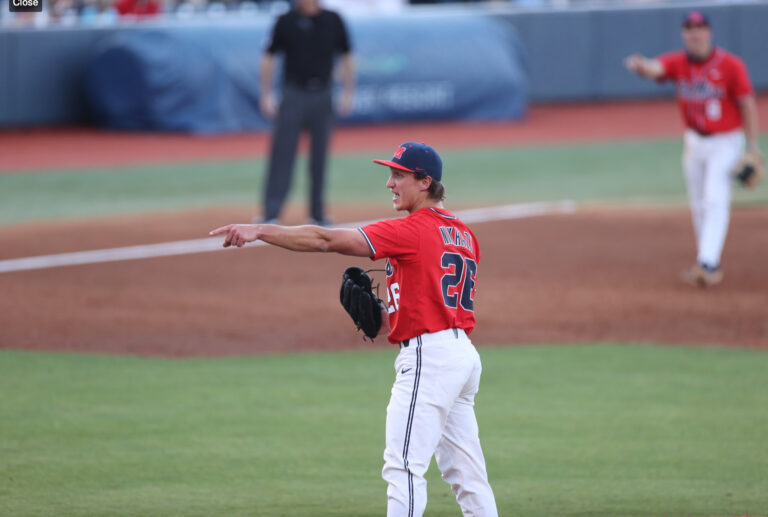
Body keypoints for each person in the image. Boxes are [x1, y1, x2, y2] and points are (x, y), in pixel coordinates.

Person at [211, 142, 498, 517]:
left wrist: (260, 230)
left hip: (430, 361)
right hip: (461, 358)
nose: (390, 183)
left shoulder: (411, 230)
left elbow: (326, 239)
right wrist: (384, 318)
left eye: (398, 175)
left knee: (403, 468)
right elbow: (432, 305)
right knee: (468, 477)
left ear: (425, 181)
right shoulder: (464, 235)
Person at [624, 10, 763, 287]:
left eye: (699, 28)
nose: (695, 34)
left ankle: (708, 262)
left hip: (725, 142)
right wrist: (642, 66)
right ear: (683, 34)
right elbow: (657, 68)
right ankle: (706, 259)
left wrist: (753, 147)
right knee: (699, 203)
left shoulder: (731, 65)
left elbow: (747, 104)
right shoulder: (679, 62)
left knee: (715, 199)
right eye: (689, 29)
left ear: (709, 32)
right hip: (694, 142)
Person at [258, 0, 355, 226]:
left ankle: (318, 213)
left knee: (320, 156)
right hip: (293, 93)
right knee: (282, 154)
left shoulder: (333, 20)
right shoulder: (285, 21)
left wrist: (348, 92)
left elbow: (347, 55)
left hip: (323, 92)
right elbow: (269, 56)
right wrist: (266, 93)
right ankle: (271, 213)